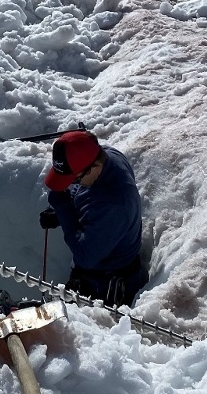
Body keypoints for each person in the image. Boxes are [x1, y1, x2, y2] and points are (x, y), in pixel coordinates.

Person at [39, 129, 149, 306]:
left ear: (94, 166)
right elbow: (86, 195)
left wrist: (64, 208)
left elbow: (85, 256)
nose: (70, 185)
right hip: (103, 252)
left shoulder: (115, 202)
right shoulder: (108, 155)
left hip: (106, 285)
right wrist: (65, 212)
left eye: (74, 179)